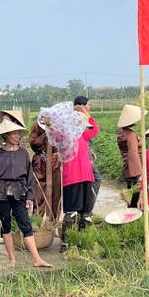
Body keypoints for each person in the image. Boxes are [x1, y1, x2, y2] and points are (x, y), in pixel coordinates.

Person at [0, 120, 52, 269]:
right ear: (6, 136)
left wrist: (30, 196)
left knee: (25, 224)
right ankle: (12, 260)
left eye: (18, 133)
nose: (17, 136)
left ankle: (36, 259)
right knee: (6, 225)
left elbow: (29, 176)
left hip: (19, 191)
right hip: (0, 192)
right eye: (13, 133)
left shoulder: (23, 154)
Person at [61, 98, 100, 241]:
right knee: (71, 211)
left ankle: (82, 239)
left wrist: (86, 113)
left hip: (86, 175)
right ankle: (67, 240)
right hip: (72, 177)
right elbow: (54, 132)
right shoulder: (65, 136)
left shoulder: (83, 135)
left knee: (86, 211)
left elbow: (95, 129)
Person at [30, 117, 62, 221]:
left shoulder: (57, 126)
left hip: (54, 162)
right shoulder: (36, 126)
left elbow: (62, 141)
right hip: (40, 162)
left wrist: (52, 128)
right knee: (38, 193)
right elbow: (34, 144)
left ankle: (53, 222)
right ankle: (37, 222)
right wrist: (46, 132)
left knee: (56, 193)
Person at [117, 104, 144, 207]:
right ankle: (136, 212)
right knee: (136, 192)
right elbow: (133, 154)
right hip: (134, 167)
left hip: (127, 166)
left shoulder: (122, 133)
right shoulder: (131, 135)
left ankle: (132, 211)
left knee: (131, 191)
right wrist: (139, 172)